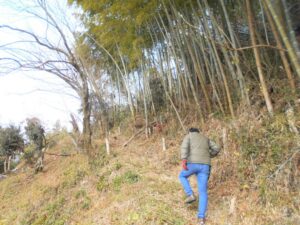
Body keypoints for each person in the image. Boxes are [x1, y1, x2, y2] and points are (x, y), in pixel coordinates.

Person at [179, 127, 220, 225]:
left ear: (190, 132)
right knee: (203, 192)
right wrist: (209, 155)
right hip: (205, 166)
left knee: (182, 176)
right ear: (198, 132)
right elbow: (217, 148)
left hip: (193, 164)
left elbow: (184, 147)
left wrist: (184, 160)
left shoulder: (188, 136)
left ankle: (190, 194)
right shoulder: (205, 138)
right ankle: (201, 219)